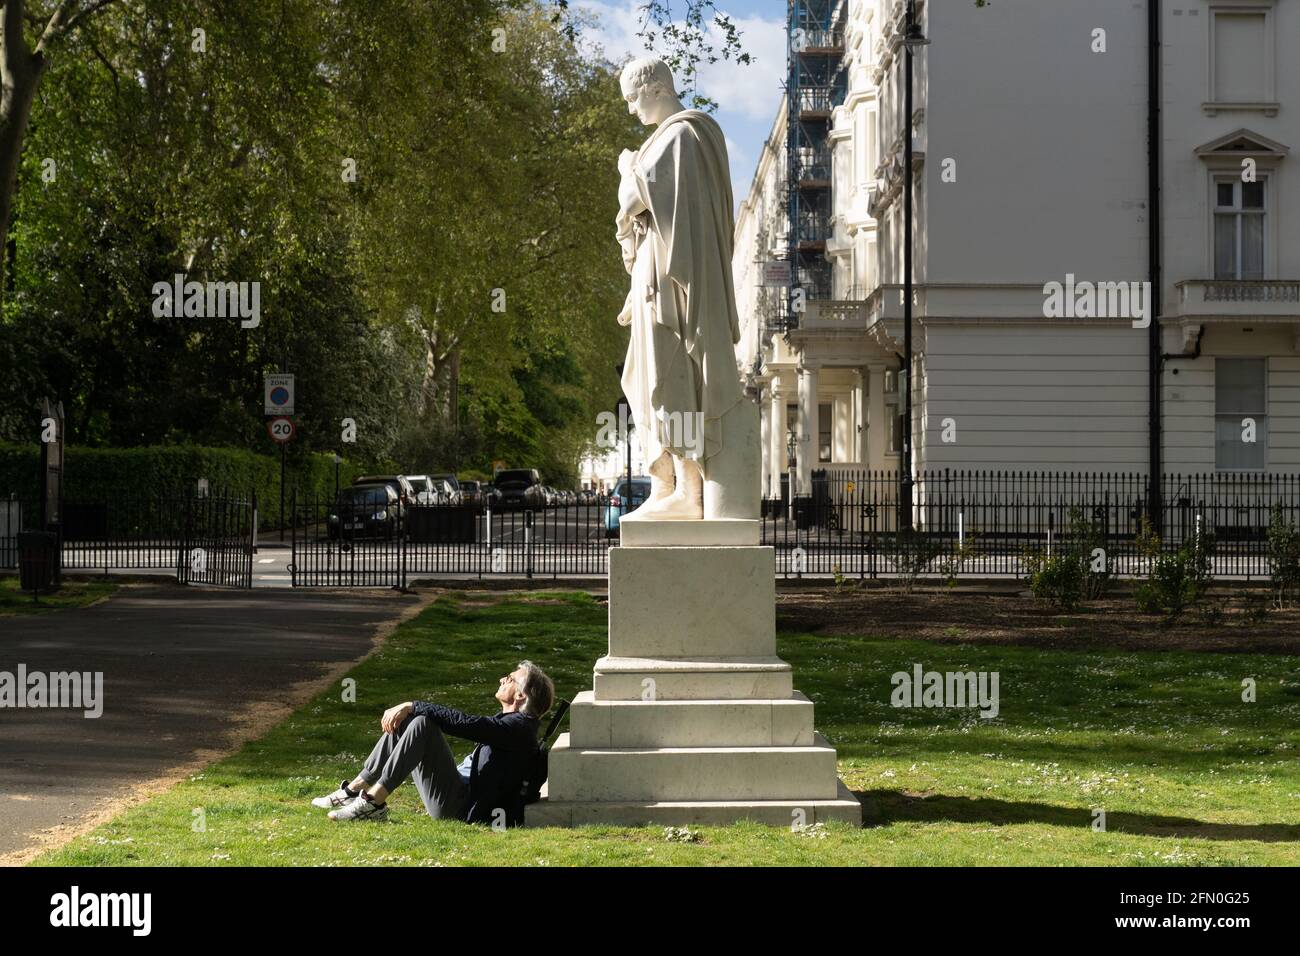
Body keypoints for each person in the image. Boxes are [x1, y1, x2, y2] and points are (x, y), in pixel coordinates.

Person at [312, 660, 555, 826]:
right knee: (413, 721)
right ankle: (352, 791)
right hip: (457, 791)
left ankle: (372, 803)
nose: (503, 678)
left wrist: (412, 704)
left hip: (457, 806)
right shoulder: (517, 725)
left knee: (422, 723)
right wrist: (411, 709)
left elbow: (464, 723)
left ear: (521, 695)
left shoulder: (518, 728)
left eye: (511, 678)